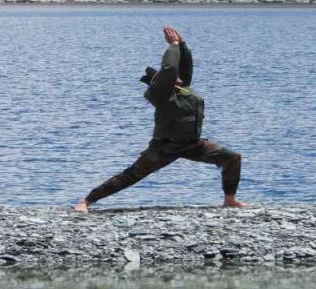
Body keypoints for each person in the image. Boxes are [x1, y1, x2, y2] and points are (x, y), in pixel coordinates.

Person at [75, 26, 246, 212]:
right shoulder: (161, 93)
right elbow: (170, 68)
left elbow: (185, 68)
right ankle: (87, 201)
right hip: (165, 147)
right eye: (174, 77)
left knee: (232, 158)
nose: (179, 77)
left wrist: (182, 45)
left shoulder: (182, 89)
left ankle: (230, 199)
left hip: (192, 144)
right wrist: (172, 46)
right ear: (164, 80)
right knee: (131, 175)